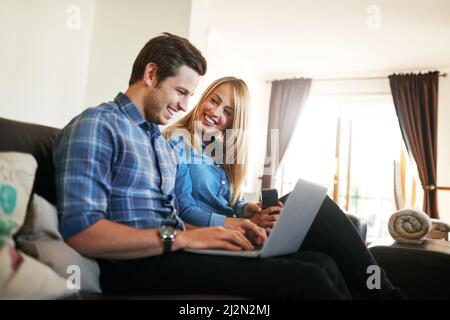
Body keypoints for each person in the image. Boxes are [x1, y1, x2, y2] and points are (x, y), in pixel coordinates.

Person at [53, 32, 378, 299]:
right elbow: (82, 232)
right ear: (151, 74)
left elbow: (172, 218)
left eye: (190, 95)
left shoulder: (156, 141)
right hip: (137, 265)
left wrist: (216, 232)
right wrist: (184, 238)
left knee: (320, 263)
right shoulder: (98, 125)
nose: (184, 105)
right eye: (181, 91)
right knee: (307, 279)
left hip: (173, 251)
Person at [164, 76, 405, 299]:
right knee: (319, 212)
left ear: (233, 123)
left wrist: (247, 209)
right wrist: (244, 223)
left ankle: (379, 290)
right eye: (214, 100)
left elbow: (226, 203)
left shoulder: (217, 149)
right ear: (203, 97)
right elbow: (185, 209)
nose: (215, 112)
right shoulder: (178, 139)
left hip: (240, 230)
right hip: (221, 237)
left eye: (227, 111)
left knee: (325, 258)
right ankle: (385, 292)